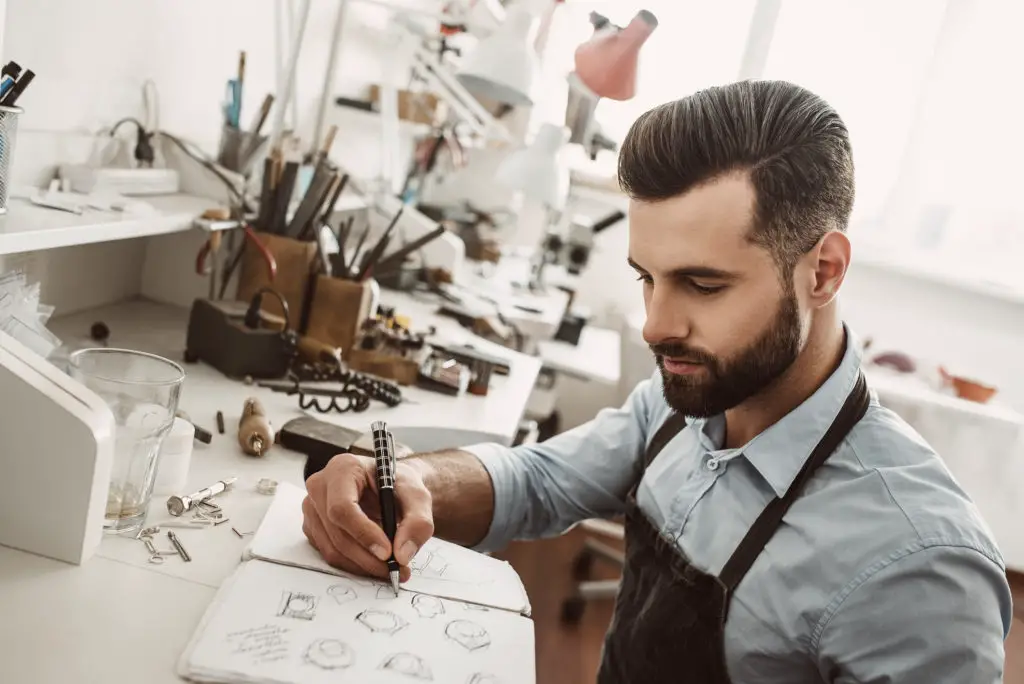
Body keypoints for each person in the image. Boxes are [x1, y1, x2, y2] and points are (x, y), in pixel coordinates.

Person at [302, 80, 1013, 683]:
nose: (654, 326)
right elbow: (537, 481)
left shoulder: (919, 571)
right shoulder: (685, 404)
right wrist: (408, 481)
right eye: (647, 279)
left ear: (822, 271)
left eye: (702, 285)